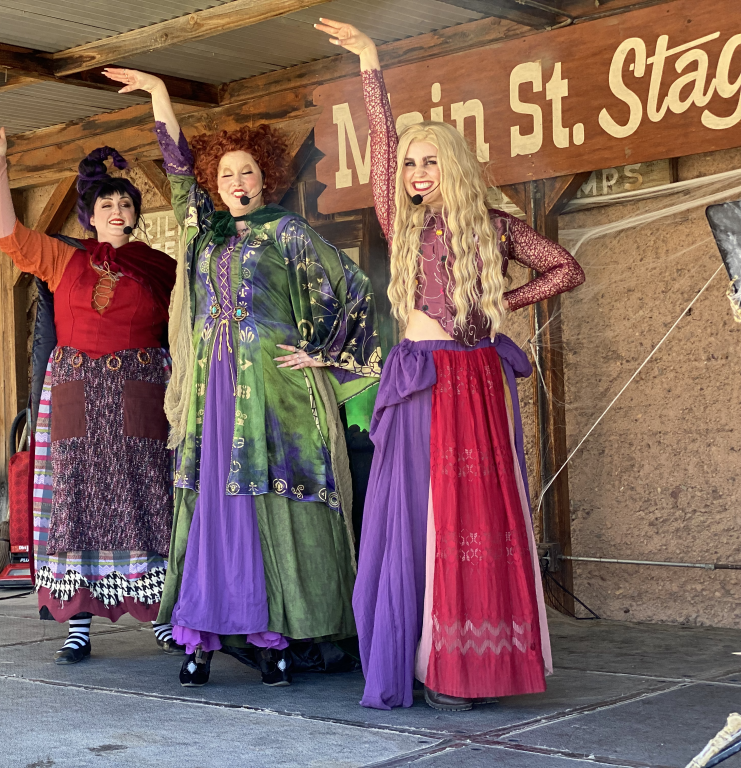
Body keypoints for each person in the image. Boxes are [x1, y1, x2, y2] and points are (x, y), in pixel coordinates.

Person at [314, 20, 585, 710]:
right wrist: (371, 64)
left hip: (474, 378)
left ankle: (467, 664)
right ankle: (420, 658)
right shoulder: (402, 222)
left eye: (428, 162)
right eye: (411, 164)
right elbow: (379, 145)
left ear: (454, 164)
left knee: (470, 520)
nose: (415, 174)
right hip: (418, 378)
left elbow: (565, 267)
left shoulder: (494, 223)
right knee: (412, 517)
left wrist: (500, 303)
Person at [103, 68, 382, 687]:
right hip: (214, 389)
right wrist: (159, 97)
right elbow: (176, 171)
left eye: (247, 172)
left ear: (266, 178)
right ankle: (203, 630)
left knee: (266, 503)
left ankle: (276, 631)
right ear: (216, 183)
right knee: (215, 509)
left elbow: (352, 287)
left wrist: (324, 351)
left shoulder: (288, 232)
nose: (236, 181)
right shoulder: (203, 233)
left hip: (276, 392)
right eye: (225, 174)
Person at [0, 115, 179, 664]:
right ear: (89, 215)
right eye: (107, 205)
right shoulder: (64, 258)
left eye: (127, 205)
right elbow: (5, 233)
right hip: (76, 394)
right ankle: (77, 623)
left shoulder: (162, 268)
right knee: (76, 504)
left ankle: (160, 613)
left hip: (141, 392)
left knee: (148, 501)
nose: (117, 212)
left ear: (136, 216)